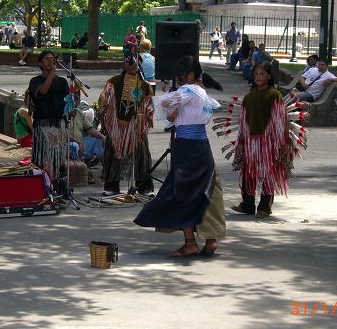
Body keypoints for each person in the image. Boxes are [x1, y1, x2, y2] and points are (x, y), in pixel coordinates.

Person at [134, 56, 223, 257]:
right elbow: (176, 114)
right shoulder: (202, 93)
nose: (179, 79)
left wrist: (156, 101)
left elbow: (166, 107)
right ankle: (210, 239)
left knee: (182, 192)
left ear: (190, 75)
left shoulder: (187, 91)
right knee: (206, 189)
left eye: (181, 75)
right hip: (202, 146)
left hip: (186, 148)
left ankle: (190, 243)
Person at [230, 61, 290, 217]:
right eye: (256, 74)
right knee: (248, 172)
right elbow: (243, 122)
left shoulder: (274, 94)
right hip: (250, 142)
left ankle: (264, 207)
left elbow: (281, 118)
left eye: (262, 74)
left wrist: (284, 140)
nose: (258, 77)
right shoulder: (249, 97)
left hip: (269, 142)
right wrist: (241, 141)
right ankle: (247, 205)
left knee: (268, 173)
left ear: (269, 76)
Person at [99, 54, 154, 196]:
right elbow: (104, 94)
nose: (131, 63)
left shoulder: (144, 85)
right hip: (116, 126)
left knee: (141, 154)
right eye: (128, 61)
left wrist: (147, 117)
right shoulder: (114, 81)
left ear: (138, 65)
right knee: (114, 154)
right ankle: (111, 187)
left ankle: (144, 188)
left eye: (134, 61)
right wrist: (102, 104)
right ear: (124, 64)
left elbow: (149, 104)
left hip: (136, 127)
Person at [28, 51, 69, 181]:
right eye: (47, 59)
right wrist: (51, 73)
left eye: (52, 58)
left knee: (58, 158)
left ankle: (60, 187)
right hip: (42, 124)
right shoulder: (35, 81)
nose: (51, 61)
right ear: (40, 63)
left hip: (58, 124)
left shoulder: (62, 81)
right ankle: (38, 187)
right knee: (40, 158)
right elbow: (43, 91)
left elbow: (67, 101)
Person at [68, 91, 106, 164]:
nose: (73, 102)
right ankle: (80, 167)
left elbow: (90, 129)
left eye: (76, 99)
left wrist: (102, 137)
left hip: (81, 142)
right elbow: (63, 134)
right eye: (71, 99)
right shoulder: (63, 114)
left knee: (99, 141)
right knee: (75, 146)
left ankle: (105, 169)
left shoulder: (79, 112)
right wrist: (77, 142)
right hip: (68, 143)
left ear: (79, 101)